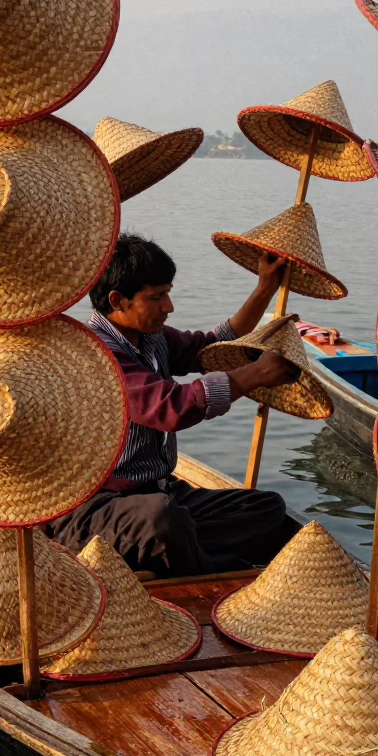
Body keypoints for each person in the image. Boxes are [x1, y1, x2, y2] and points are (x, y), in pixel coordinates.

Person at [49, 233, 301, 576]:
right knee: (162, 519)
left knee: (267, 509)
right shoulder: (94, 356)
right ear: (118, 300)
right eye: (157, 297)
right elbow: (170, 407)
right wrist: (252, 375)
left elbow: (213, 347)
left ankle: (168, 556)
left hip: (159, 491)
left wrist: (264, 289)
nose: (168, 307)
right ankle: (204, 565)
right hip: (95, 508)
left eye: (167, 293)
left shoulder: (152, 337)